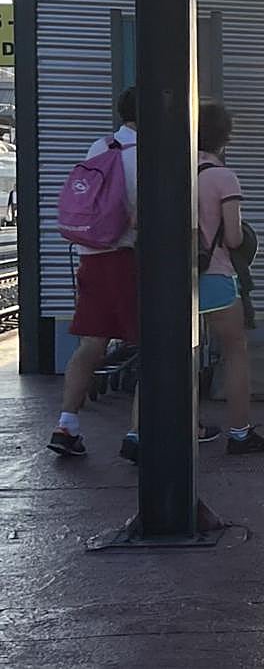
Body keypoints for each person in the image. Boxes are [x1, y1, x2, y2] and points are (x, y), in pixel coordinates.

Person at [46, 88, 140, 457]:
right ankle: (138, 434)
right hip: (128, 259)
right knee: (155, 348)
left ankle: (66, 426)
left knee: (91, 344)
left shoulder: (101, 146)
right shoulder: (144, 156)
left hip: (91, 256)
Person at [197, 100, 264, 454]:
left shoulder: (173, 170)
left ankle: (168, 427)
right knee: (235, 350)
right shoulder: (222, 177)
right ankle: (240, 432)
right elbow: (232, 238)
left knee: (178, 353)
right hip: (214, 275)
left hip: (174, 278)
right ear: (224, 139)